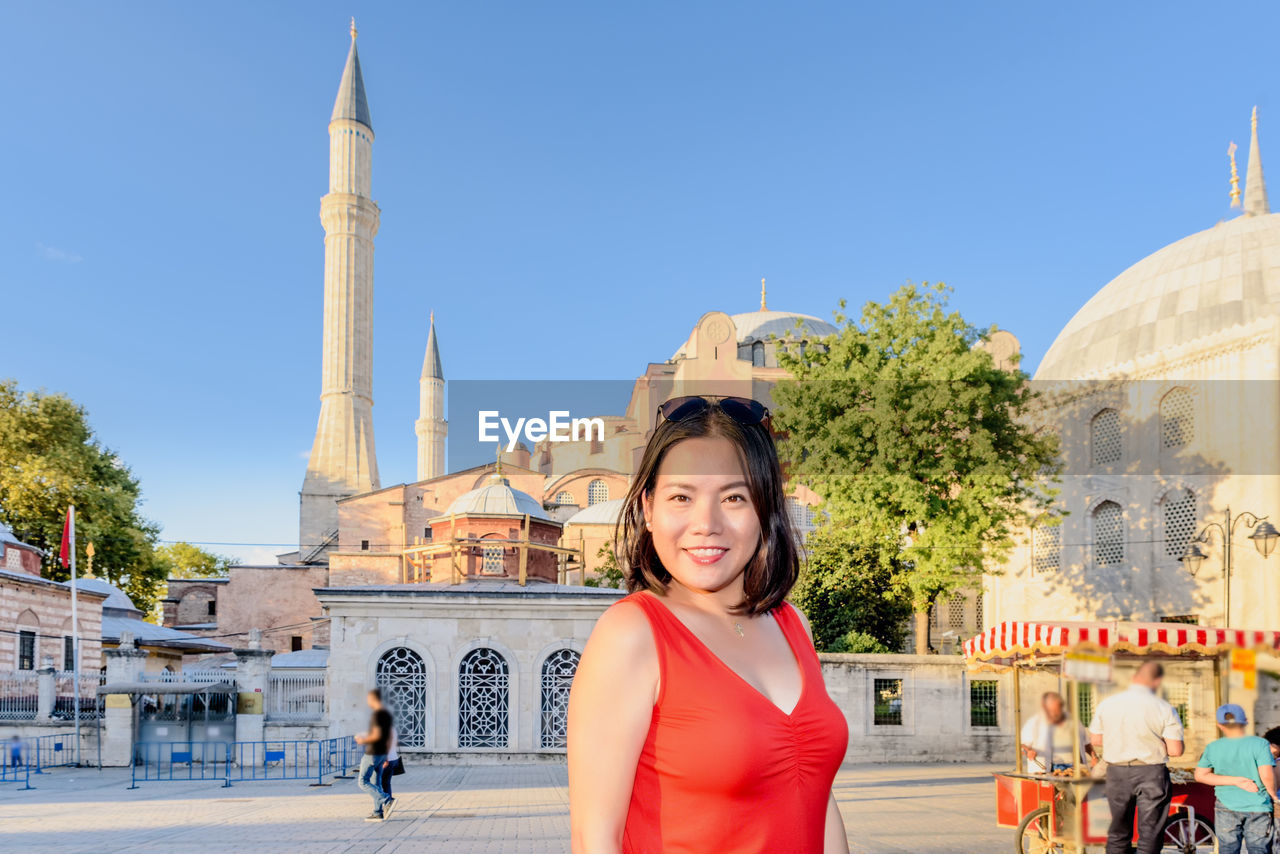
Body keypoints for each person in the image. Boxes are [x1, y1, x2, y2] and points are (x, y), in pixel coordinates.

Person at [567, 394, 850, 853]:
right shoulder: (633, 634)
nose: (707, 524)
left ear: (765, 509)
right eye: (682, 497)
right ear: (648, 508)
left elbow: (819, 803)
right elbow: (593, 839)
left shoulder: (793, 624)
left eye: (734, 497)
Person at [1089, 662, 1185, 854]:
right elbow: (1175, 750)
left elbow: (1097, 740)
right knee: (1150, 832)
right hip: (1151, 772)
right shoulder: (1164, 707)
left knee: (1118, 831)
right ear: (1157, 681)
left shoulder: (1107, 703)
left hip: (1116, 771)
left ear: (1134, 679)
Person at [1193, 704, 1276, 854]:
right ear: (1246, 721)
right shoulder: (1260, 744)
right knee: (1259, 849)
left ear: (1219, 725)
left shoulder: (1213, 747)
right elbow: (1267, 775)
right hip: (1258, 804)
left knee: (1228, 849)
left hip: (1225, 805)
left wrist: (1235, 780)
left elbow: (1200, 775)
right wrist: (1273, 795)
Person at [1021, 691, 1092, 773]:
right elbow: (1022, 746)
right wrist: (1029, 751)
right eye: (1052, 711)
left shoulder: (1073, 720)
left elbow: (1086, 742)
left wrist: (1094, 757)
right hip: (1046, 769)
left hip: (1074, 768)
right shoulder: (1034, 723)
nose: (1055, 714)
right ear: (1044, 708)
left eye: (1057, 711)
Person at [354, 688, 394, 821]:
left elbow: (376, 735)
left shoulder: (377, 715)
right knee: (376, 783)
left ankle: (386, 799)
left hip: (373, 752)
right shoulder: (387, 715)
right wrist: (387, 756)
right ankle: (377, 812)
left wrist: (362, 739)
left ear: (374, 699)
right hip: (382, 753)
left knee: (362, 781)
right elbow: (388, 737)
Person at [379, 723, 404, 812]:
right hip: (394, 758)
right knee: (386, 783)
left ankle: (382, 807)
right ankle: (387, 806)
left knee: (376, 785)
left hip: (386, 760)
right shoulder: (393, 728)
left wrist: (385, 759)